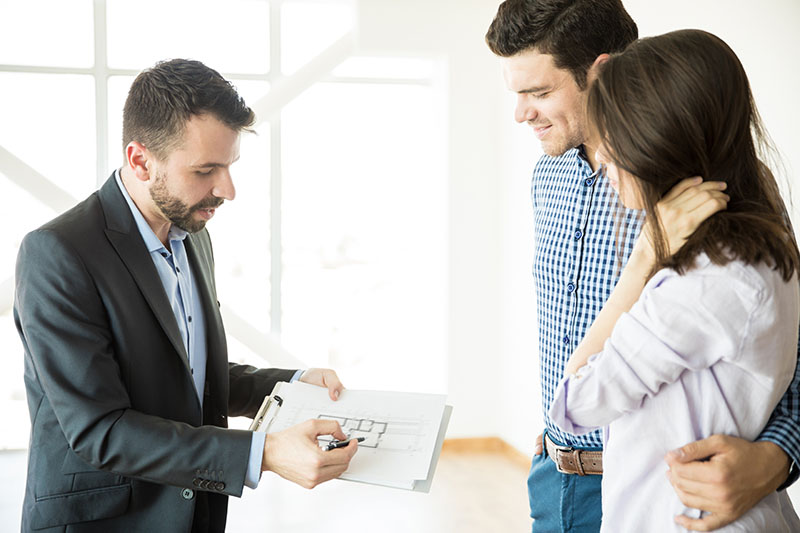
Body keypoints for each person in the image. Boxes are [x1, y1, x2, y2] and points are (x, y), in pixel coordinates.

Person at [485, 1, 800, 531]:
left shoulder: (714, 192)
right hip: (555, 474)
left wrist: (777, 458)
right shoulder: (548, 177)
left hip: (664, 489)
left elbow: (784, 340)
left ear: (602, 71)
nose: (521, 113)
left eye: (538, 93)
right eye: (516, 94)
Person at [14, 59, 358, 532]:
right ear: (140, 161)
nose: (227, 190)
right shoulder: (57, 253)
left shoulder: (193, 233)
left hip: (193, 512)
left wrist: (292, 383)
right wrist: (263, 453)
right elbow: (101, 430)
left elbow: (188, 376)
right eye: (206, 170)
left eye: (230, 166)